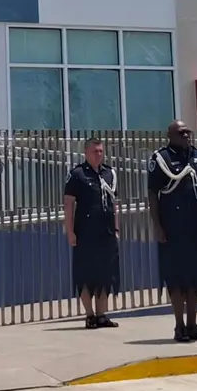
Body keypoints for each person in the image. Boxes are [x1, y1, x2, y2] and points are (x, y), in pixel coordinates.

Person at [149, 121, 197, 343]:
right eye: (181, 132)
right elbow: (152, 193)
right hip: (173, 228)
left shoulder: (196, 156)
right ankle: (179, 327)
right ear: (170, 135)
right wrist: (157, 226)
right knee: (177, 279)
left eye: (188, 132)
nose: (186, 135)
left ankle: (193, 325)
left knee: (196, 279)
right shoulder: (161, 158)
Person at [64, 136, 121, 329]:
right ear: (86, 153)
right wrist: (70, 232)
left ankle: (102, 314)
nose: (98, 155)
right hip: (86, 232)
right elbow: (69, 204)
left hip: (106, 232)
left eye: (101, 151)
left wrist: (116, 227)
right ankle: (90, 315)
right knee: (86, 274)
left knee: (105, 274)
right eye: (94, 151)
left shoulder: (109, 174)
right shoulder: (77, 174)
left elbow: (115, 204)